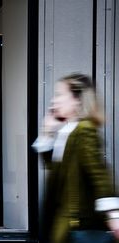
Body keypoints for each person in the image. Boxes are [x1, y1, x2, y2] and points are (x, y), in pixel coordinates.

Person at [32, 74, 119, 243]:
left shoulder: (84, 130)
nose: (54, 101)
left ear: (77, 100)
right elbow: (57, 171)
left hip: (78, 226)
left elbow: (99, 174)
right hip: (65, 224)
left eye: (60, 95)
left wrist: (114, 216)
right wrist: (47, 132)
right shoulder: (68, 131)